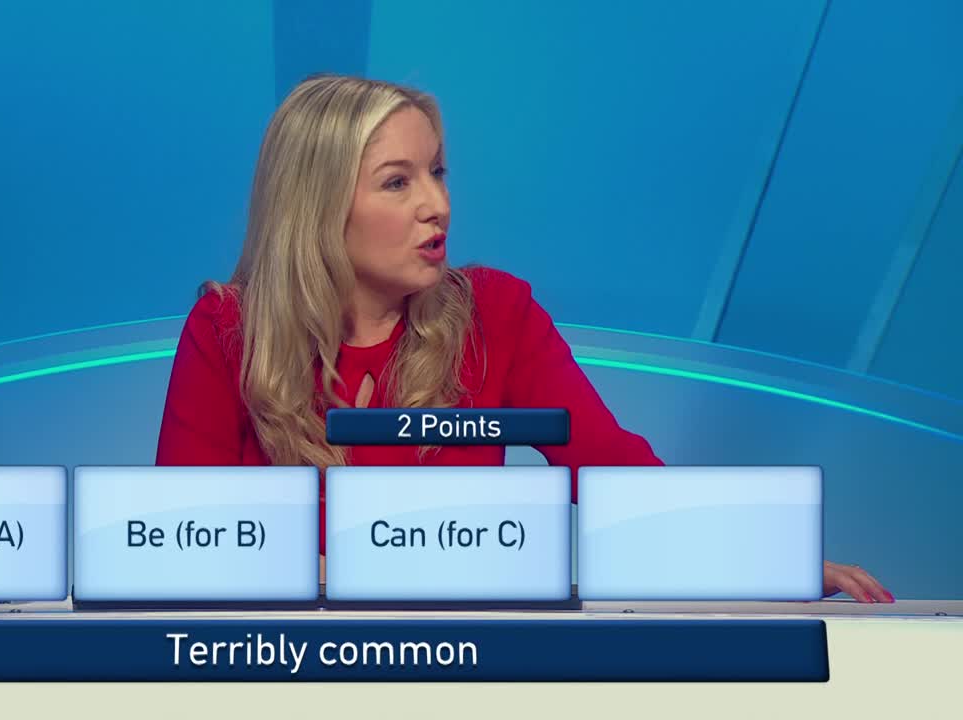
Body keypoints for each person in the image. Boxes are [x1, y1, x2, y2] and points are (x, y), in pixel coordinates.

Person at [155, 73, 893, 604]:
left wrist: (759, 553)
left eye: (438, 173)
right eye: (397, 182)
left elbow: (611, 468)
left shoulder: (494, 314)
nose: (438, 205)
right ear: (316, 205)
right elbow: (187, 548)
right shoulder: (228, 330)